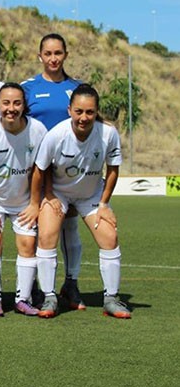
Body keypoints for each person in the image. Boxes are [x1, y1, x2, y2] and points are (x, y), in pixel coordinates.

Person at [34, 84, 130, 319]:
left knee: (110, 237)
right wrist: (47, 195)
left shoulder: (108, 134)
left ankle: (111, 299)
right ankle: (49, 296)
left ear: (96, 112)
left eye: (89, 112)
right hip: (59, 193)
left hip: (91, 195)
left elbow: (114, 168)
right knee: (47, 235)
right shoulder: (56, 134)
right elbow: (40, 169)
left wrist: (104, 203)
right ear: (69, 110)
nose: (84, 117)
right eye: (79, 111)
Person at [21, 33, 85, 309]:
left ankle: (70, 284)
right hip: (34, 171)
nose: (53, 58)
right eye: (48, 53)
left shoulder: (78, 88)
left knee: (69, 226)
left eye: (58, 53)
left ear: (66, 55)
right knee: (35, 227)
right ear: (40, 56)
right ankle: (36, 286)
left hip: (67, 172)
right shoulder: (28, 88)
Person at [0, 83, 47, 316]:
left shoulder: (37, 130)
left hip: (24, 202)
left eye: (16, 103)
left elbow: (40, 169)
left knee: (28, 246)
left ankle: (23, 299)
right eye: (6, 103)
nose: (11, 108)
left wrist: (35, 204)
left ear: (24, 105)